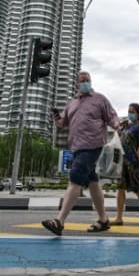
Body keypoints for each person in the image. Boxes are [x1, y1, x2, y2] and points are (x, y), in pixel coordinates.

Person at [41, 71, 121, 236]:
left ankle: (59, 221)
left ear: (91, 81)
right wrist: (56, 117)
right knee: (92, 182)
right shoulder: (72, 104)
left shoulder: (100, 99)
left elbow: (111, 117)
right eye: (82, 81)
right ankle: (103, 219)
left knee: (75, 177)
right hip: (76, 147)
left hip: (93, 145)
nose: (85, 82)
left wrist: (117, 125)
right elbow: (62, 124)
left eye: (88, 80)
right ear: (77, 84)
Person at [110, 103, 139, 226]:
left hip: (131, 162)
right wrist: (120, 127)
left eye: (133, 111)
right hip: (122, 161)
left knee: (136, 188)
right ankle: (119, 218)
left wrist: (137, 158)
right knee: (120, 188)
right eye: (129, 111)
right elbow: (119, 138)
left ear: (138, 113)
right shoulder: (127, 126)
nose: (130, 114)